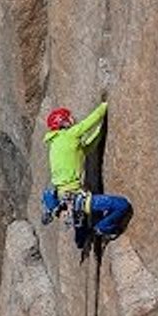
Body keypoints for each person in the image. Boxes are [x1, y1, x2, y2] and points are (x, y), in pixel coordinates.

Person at [40, 101, 132, 248]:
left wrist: (101, 130)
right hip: (77, 198)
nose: (73, 120)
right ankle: (103, 228)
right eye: (69, 118)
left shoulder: (56, 142)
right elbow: (90, 121)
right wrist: (105, 105)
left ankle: (80, 238)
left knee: (81, 233)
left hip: (64, 196)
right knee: (122, 205)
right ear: (64, 123)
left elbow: (88, 147)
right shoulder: (70, 135)